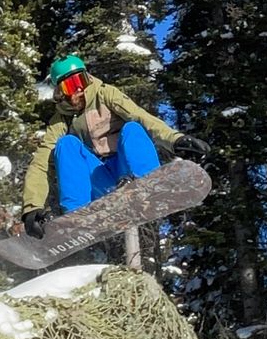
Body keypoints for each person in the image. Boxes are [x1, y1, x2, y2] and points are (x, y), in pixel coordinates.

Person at [20, 53, 197, 234]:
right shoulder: (60, 121)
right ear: (60, 91)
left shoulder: (106, 94)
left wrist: (175, 140)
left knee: (133, 128)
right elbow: (40, 164)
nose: (78, 90)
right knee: (66, 144)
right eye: (70, 86)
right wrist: (32, 208)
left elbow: (142, 117)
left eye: (80, 80)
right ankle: (76, 214)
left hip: (126, 172)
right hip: (100, 178)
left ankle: (149, 184)